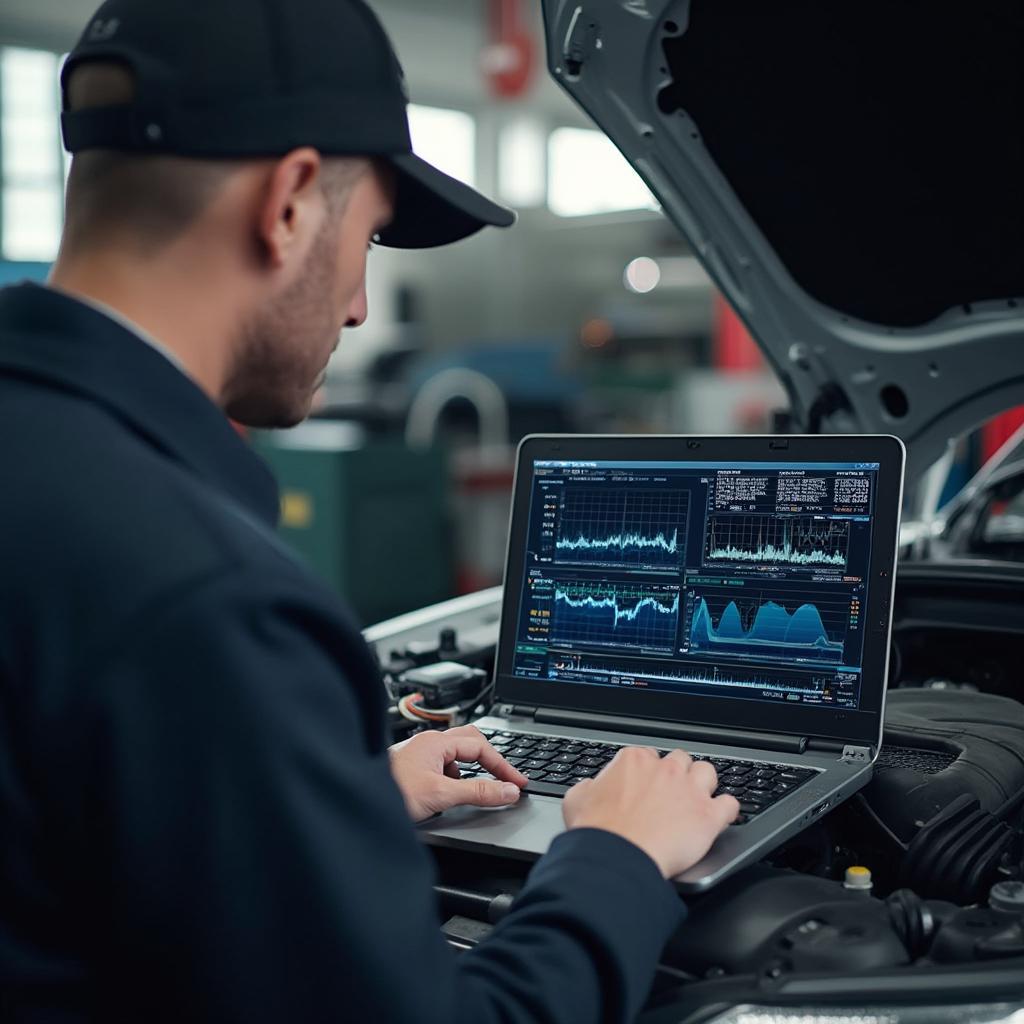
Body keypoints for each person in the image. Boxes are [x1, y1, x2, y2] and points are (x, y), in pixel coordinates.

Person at [0, 1, 739, 1021]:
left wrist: (313, 803)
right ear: (292, 200)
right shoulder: (205, 598)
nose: (356, 306)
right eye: (374, 235)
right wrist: (614, 857)